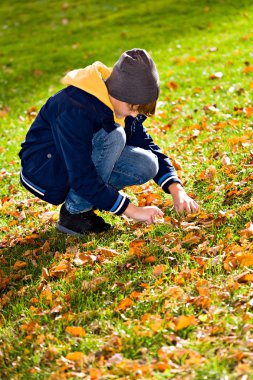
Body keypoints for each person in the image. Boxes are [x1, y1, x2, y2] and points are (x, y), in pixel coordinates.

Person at [19, 48, 199, 235]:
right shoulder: (74, 106)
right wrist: (133, 211)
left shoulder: (122, 106)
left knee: (147, 163)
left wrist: (177, 191)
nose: (134, 114)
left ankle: (85, 201)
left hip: (78, 164)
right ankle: (74, 212)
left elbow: (147, 145)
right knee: (114, 136)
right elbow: (82, 174)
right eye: (134, 107)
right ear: (121, 93)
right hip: (45, 169)